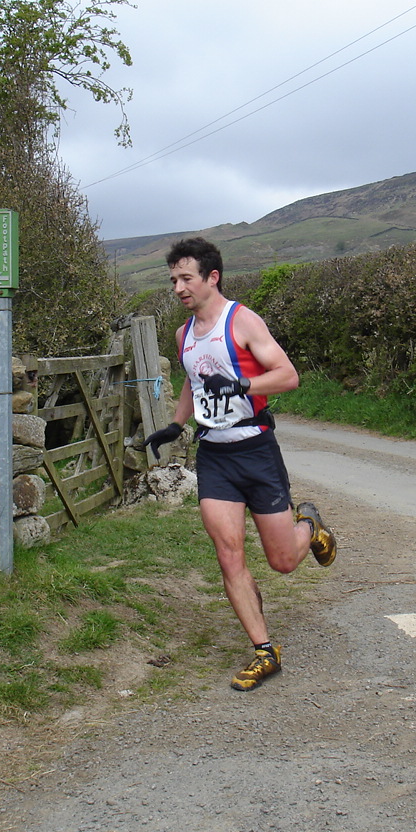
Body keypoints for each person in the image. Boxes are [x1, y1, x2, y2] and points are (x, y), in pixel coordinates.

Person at [145, 236, 336, 691]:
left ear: (212, 277)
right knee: (228, 554)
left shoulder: (242, 321)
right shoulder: (183, 335)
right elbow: (193, 381)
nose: (178, 288)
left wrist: (242, 386)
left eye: (186, 278)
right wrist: (175, 424)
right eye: (173, 280)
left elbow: (288, 376)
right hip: (215, 456)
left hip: (256, 451)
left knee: (282, 562)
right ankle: (264, 651)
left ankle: (310, 525)